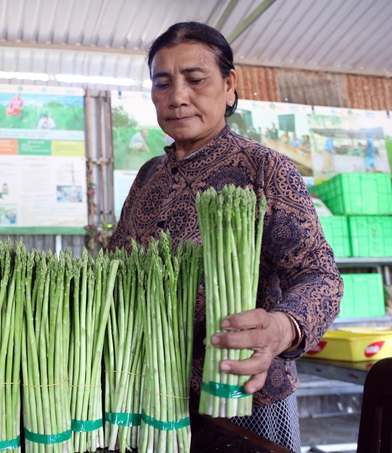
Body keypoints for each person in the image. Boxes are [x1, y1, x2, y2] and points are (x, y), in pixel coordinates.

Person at [106, 22, 343, 452]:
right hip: (149, 395)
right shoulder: (148, 177)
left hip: (245, 397)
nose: (177, 97)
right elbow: (115, 265)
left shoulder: (265, 170)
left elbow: (321, 276)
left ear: (229, 85)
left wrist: (282, 327)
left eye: (196, 80)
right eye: (162, 84)